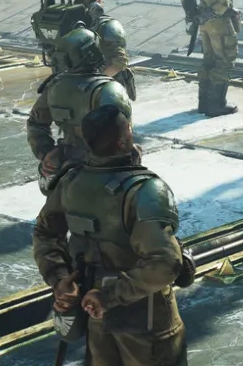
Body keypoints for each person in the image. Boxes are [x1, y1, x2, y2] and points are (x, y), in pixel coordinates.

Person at [33, 105, 189, 366]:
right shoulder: (146, 190)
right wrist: (110, 296)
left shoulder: (71, 182)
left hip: (92, 308)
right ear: (122, 141)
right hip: (144, 315)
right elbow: (165, 263)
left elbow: (44, 233)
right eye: (128, 128)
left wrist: (59, 279)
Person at [27, 27, 135, 189]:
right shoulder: (109, 90)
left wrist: (46, 152)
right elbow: (124, 139)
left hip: (65, 168)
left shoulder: (54, 86)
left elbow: (35, 123)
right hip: (104, 174)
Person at [181, 0, 238, 116]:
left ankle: (204, 103)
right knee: (224, 61)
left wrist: (194, 16)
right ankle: (216, 105)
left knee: (208, 60)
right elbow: (222, 4)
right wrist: (207, 16)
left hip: (204, 25)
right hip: (220, 23)